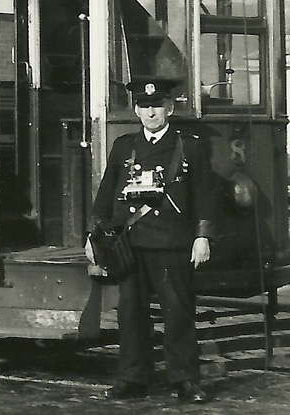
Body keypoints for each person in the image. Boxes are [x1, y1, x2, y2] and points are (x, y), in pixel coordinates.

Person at [89, 80, 216, 403]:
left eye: (157, 106)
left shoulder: (188, 146)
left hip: (172, 243)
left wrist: (202, 236)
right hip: (131, 244)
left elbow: (204, 195)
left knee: (178, 312)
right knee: (130, 314)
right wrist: (95, 236)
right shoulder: (124, 146)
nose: (150, 112)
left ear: (169, 109)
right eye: (144, 106)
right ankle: (132, 379)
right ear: (136, 110)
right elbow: (104, 197)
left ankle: (185, 380)